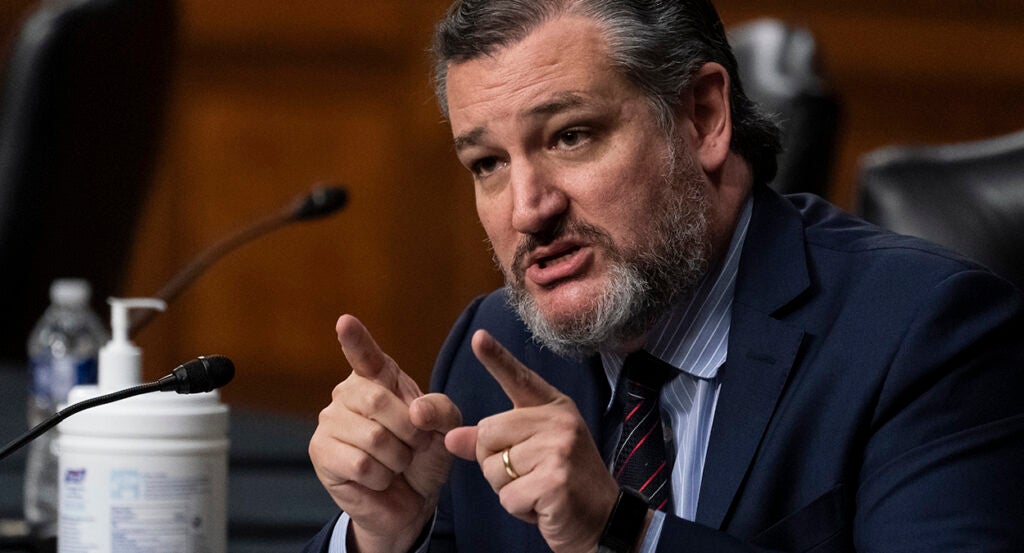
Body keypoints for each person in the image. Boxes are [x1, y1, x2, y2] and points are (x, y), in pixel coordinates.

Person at [305, 0, 1024, 551]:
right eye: (488, 163)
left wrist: (626, 531)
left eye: (570, 135)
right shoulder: (494, 346)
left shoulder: (924, 334)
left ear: (704, 117)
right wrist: (383, 534)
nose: (528, 209)